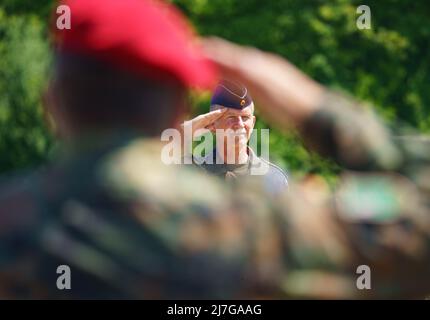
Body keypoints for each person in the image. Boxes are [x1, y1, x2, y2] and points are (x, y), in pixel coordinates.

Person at [1, 0, 430, 299]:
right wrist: (311, 106)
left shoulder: (15, 221)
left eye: (245, 118)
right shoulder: (249, 223)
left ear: (51, 104)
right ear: (179, 111)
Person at [189, 79, 288, 195]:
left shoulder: (273, 178)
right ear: (212, 123)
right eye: (231, 117)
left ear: (253, 123)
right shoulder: (192, 173)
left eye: (245, 117)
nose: (240, 124)